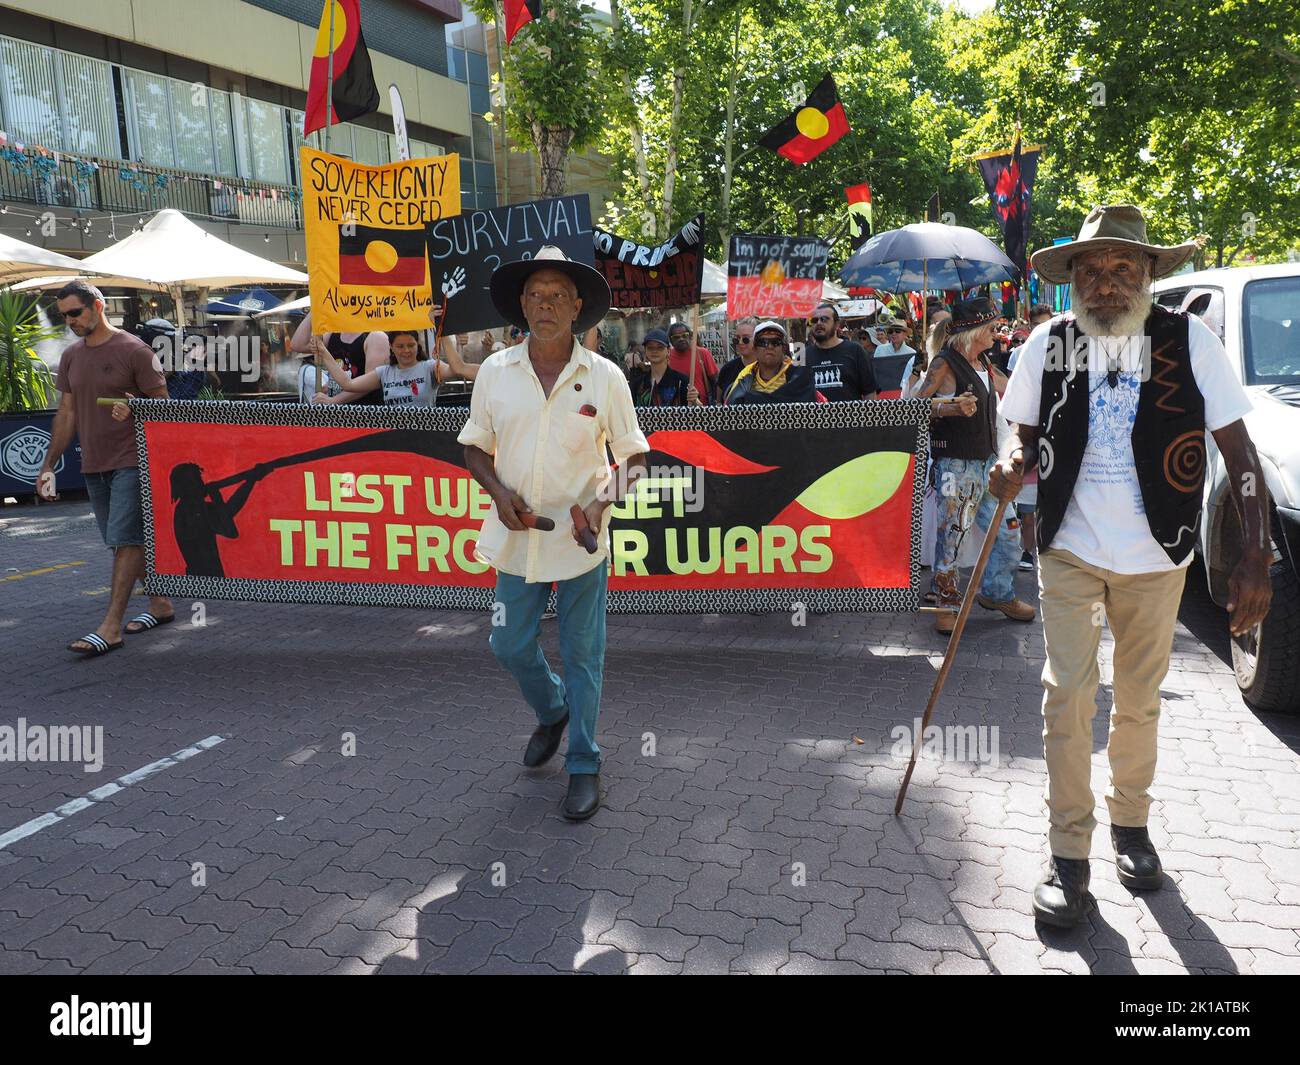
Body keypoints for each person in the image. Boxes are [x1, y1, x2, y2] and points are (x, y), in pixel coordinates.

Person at [989, 204, 1271, 929]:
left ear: (1149, 274)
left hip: (1159, 554)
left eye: (1122, 269)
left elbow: (1240, 456)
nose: (1106, 284)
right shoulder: (1050, 343)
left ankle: (1133, 826)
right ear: (1073, 280)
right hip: (1070, 550)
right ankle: (1067, 857)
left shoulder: (1189, 340)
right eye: (1091, 270)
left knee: (1140, 700)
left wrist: (1255, 554)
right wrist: (1010, 456)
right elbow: (1016, 426)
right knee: (1068, 696)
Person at [459, 246, 650, 822]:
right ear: (521, 305)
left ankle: (585, 764)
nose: (545, 304)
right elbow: (473, 446)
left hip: (579, 544)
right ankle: (552, 710)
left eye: (557, 296)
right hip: (516, 538)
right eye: (535, 295)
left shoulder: (605, 376)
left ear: (578, 308)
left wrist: (596, 508)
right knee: (508, 645)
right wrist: (499, 494)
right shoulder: (495, 372)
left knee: (583, 656)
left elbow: (635, 458)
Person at [38, 280, 175, 656]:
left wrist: (136, 406)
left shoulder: (135, 350)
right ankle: (160, 604)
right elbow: (66, 413)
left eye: (75, 313)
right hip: (93, 463)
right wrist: (48, 466)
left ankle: (110, 626)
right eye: (63, 315)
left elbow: (165, 407)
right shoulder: (71, 356)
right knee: (122, 541)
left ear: (98, 306)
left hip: (133, 460)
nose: (69, 321)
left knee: (126, 540)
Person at [914, 296, 1034, 635]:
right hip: (954, 465)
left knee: (1008, 532)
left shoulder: (986, 363)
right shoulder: (944, 363)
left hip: (987, 463)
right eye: (992, 328)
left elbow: (1012, 397)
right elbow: (913, 409)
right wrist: (949, 406)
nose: (997, 334)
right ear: (975, 330)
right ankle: (947, 603)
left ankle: (996, 593)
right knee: (951, 537)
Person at [313, 329, 477, 407]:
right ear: (391, 347)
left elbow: (458, 368)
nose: (406, 350)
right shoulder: (384, 373)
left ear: (417, 344)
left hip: (426, 437)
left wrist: (442, 332)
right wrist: (323, 352)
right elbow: (348, 384)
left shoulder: (430, 368)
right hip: (392, 440)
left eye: (411, 345)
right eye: (400, 346)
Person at [290, 313, 389, 404]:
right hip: (337, 415)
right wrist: (314, 310)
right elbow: (298, 345)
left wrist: (334, 401)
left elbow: (370, 384)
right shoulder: (333, 334)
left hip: (364, 414)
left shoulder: (376, 336)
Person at [722, 321, 816, 404]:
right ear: (754, 349)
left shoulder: (798, 372)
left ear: (784, 348)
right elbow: (732, 410)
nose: (769, 347)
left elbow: (805, 404)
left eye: (775, 342)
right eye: (763, 342)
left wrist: (750, 398)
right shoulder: (745, 375)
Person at [806, 303, 878, 401]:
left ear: (836, 325)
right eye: (814, 320)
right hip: (813, 416)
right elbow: (796, 392)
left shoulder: (855, 350)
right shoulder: (802, 355)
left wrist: (867, 415)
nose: (819, 323)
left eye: (824, 319)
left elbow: (870, 392)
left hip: (849, 415)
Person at [629, 328, 700, 406]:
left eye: (660, 347)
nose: (654, 351)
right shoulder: (637, 384)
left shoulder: (681, 381)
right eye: (650, 348)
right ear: (645, 351)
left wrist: (695, 401)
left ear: (668, 351)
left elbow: (696, 413)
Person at [667, 321, 718, 403]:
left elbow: (715, 380)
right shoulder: (667, 357)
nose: (681, 339)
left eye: (684, 335)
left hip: (701, 408)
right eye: (676, 337)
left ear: (690, 336)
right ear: (671, 340)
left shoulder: (702, 353)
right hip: (677, 409)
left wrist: (717, 402)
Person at [715, 318, 757, 401]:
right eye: (737, 338)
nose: (740, 342)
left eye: (746, 338)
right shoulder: (727, 369)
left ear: (757, 339)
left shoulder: (766, 368)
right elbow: (719, 402)